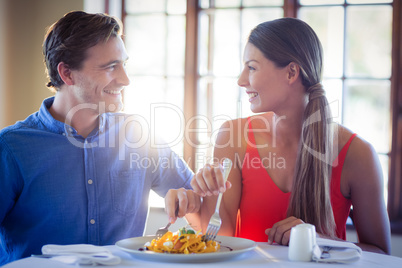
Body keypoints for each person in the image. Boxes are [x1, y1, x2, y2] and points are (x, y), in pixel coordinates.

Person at [165, 17, 391, 254]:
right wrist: (192, 206)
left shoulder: (358, 154)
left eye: (251, 67)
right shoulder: (233, 137)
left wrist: (319, 241)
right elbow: (220, 239)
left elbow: (381, 253)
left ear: (291, 72)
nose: (241, 80)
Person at [0, 11, 193, 264]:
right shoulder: (12, 148)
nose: (125, 79)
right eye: (111, 67)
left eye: (124, 64)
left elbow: (195, 202)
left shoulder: (140, 135)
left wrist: (192, 196)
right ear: (67, 74)